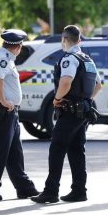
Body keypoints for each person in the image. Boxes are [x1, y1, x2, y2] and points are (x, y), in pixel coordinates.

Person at [32, 25, 102, 204]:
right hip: (83, 112)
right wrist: (87, 101)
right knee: (77, 150)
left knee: (57, 148)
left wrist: (57, 99)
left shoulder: (69, 59)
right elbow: (98, 86)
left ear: (64, 39)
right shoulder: (88, 59)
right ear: (79, 40)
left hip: (69, 111)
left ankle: (50, 191)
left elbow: (66, 81)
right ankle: (79, 190)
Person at [0, 29, 39, 201]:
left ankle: (24, 188)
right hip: (2, 110)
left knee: (15, 151)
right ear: (18, 47)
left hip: (7, 111)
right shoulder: (3, 60)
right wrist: (4, 100)